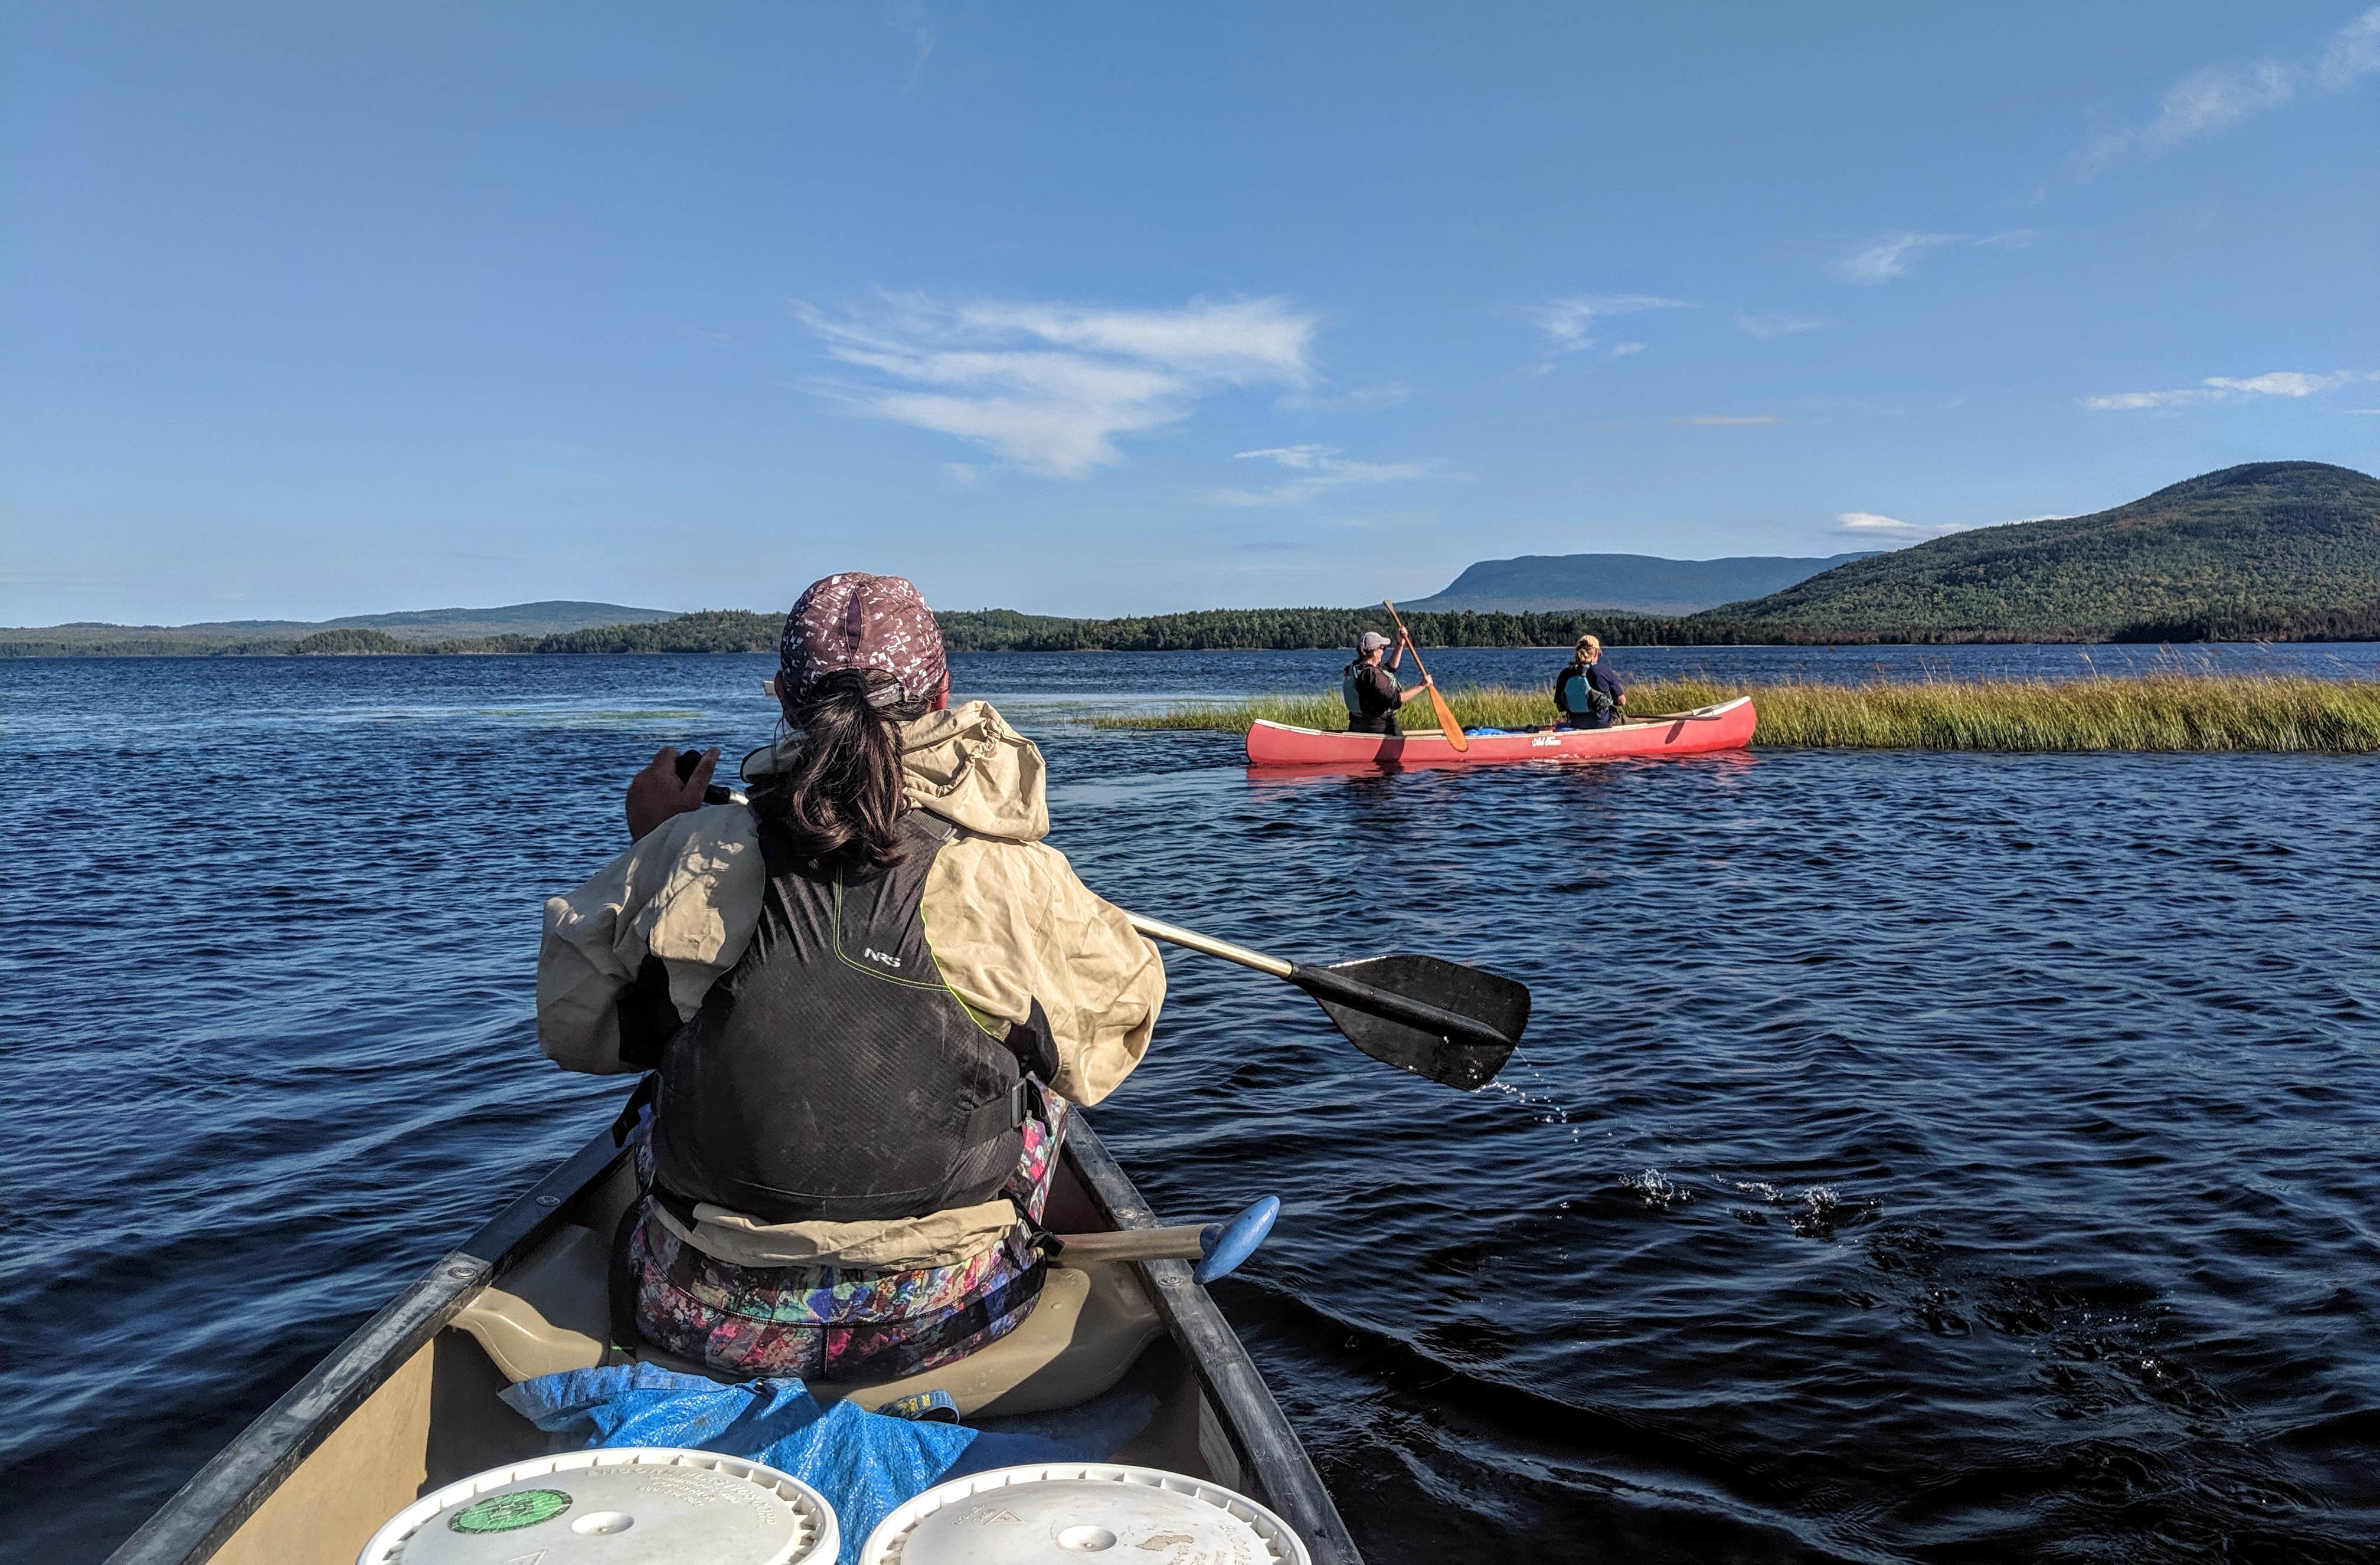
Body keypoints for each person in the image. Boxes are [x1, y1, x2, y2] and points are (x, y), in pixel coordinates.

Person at [536, 572, 1164, 1384]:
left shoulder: (690, 850)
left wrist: (654, 846)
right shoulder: (1016, 874)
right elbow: (1113, 1048)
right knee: (1052, 1076)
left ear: (789, 700)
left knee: (675, 1047)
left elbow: (575, 1033)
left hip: (704, 1314)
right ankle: (1086, 1254)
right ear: (941, 690)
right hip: (948, 1313)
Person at [1341, 628, 1433, 735]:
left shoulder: (1357, 667)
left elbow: (1389, 668)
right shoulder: (1372, 674)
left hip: (1357, 726)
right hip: (1379, 728)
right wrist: (1421, 686)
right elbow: (1395, 701)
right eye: (1382, 648)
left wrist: (1400, 644)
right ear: (1375, 652)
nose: (1384, 651)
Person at [1551, 634, 1627, 728]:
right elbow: (1622, 701)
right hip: (1602, 723)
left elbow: (1561, 706)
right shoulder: (1602, 671)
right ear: (1596, 653)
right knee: (1631, 722)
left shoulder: (1565, 674)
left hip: (1574, 722)